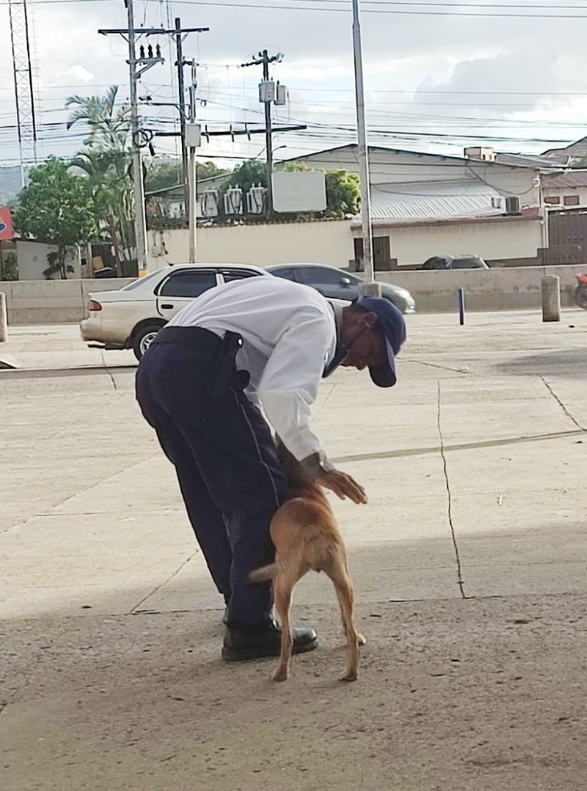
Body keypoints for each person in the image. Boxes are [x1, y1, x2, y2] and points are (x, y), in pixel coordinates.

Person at [135, 275, 403, 662]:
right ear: (365, 323)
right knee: (261, 493)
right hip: (204, 371)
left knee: (210, 495)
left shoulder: (288, 296)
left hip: (157, 370)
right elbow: (285, 393)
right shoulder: (318, 320)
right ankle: (250, 626)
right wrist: (316, 463)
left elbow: (259, 392)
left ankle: (238, 602)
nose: (362, 365)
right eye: (373, 353)